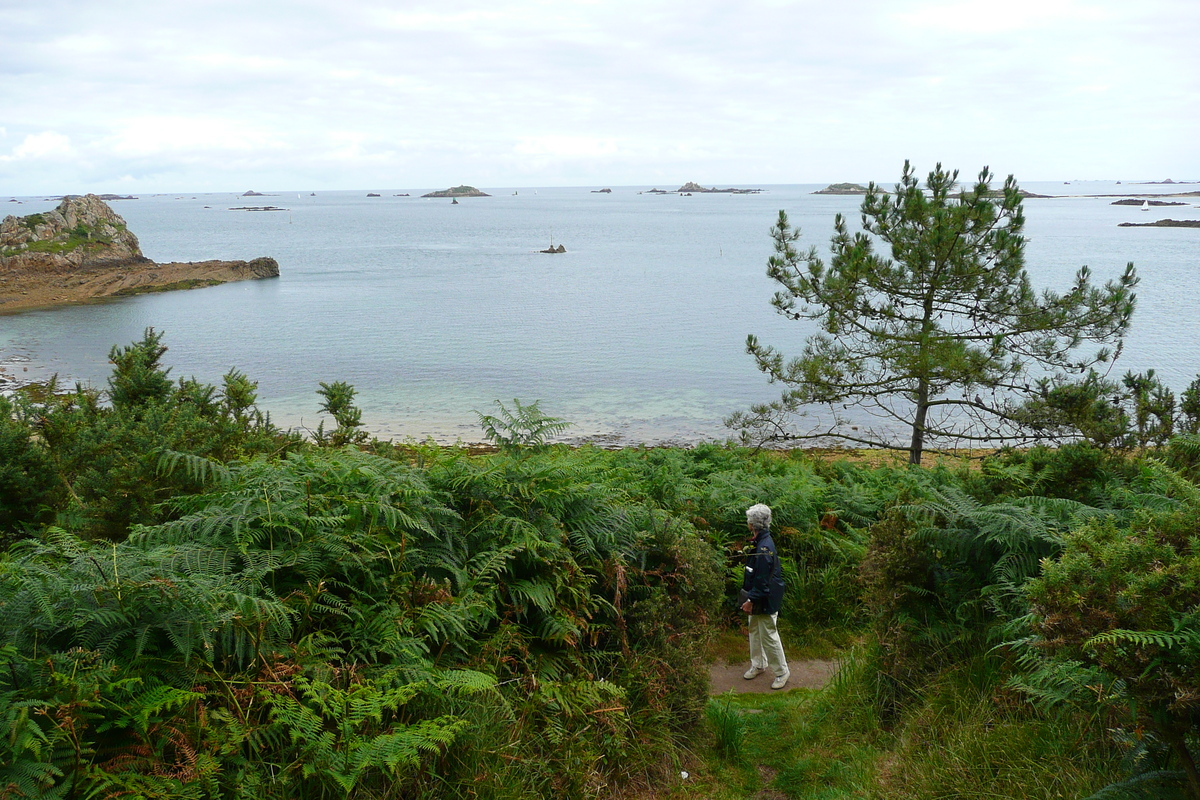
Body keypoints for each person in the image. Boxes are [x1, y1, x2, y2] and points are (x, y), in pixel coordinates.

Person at [740, 503, 789, 689]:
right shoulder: (760, 541)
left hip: (765, 598)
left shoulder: (764, 547)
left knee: (768, 634)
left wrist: (751, 600)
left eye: (749, 521)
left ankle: (782, 672)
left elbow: (762, 579)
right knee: (754, 629)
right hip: (759, 595)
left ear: (753, 524)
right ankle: (758, 664)